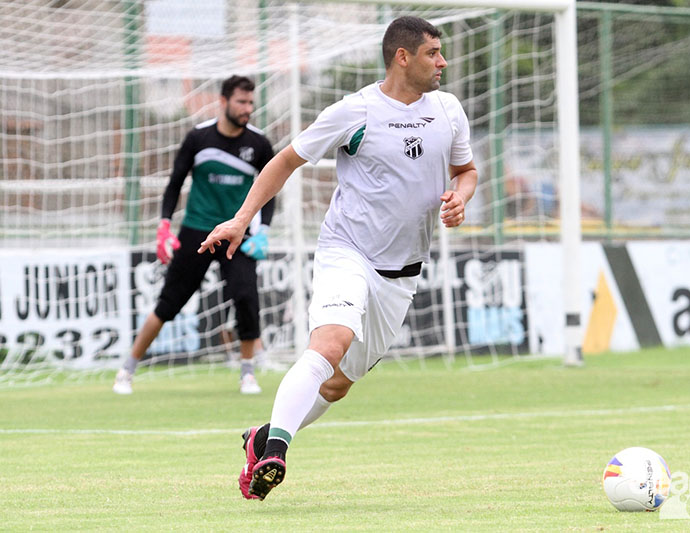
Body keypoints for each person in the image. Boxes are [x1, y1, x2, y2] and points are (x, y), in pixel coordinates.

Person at [199, 16, 477, 500]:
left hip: (402, 273)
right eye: (434, 52)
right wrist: (242, 219)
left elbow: (466, 170)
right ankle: (277, 454)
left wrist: (461, 196)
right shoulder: (356, 111)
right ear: (402, 57)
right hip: (347, 251)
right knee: (330, 344)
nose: (443, 62)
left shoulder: (448, 110)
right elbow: (286, 160)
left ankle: (262, 438)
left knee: (337, 386)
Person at [113, 75, 276, 396]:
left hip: (236, 234)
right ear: (224, 102)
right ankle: (127, 369)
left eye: (250, 103)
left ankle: (247, 373)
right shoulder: (198, 139)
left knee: (246, 298)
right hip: (198, 232)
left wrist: (263, 232)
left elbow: (271, 190)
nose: (247, 109)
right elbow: (174, 184)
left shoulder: (258, 144)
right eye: (241, 102)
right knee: (169, 304)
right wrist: (163, 227)